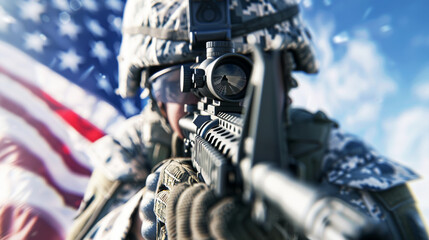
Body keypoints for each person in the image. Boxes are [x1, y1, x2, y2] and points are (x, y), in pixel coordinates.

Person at [68, 0, 429, 239]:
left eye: (243, 75)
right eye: (179, 84)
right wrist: (144, 222)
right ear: (154, 99)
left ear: (286, 80)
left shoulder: (345, 160)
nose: (215, 95)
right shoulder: (130, 151)